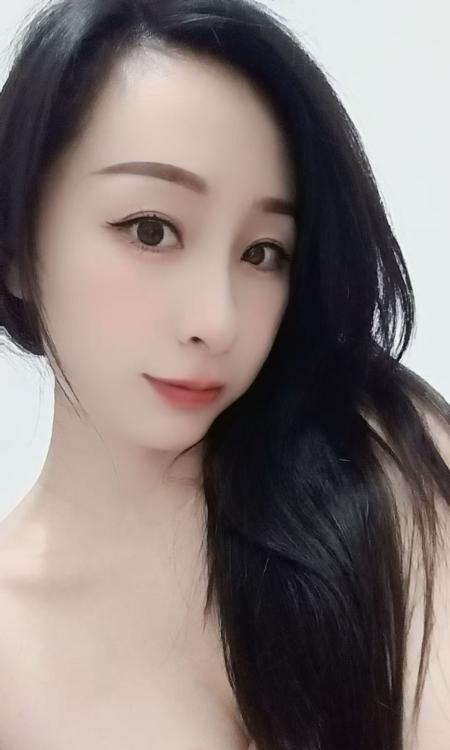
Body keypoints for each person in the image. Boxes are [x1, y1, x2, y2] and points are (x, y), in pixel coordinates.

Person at [0, 0, 448, 748]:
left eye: (262, 252)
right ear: (14, 245)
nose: (218, 320)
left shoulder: (376, 463)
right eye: (151, 230)